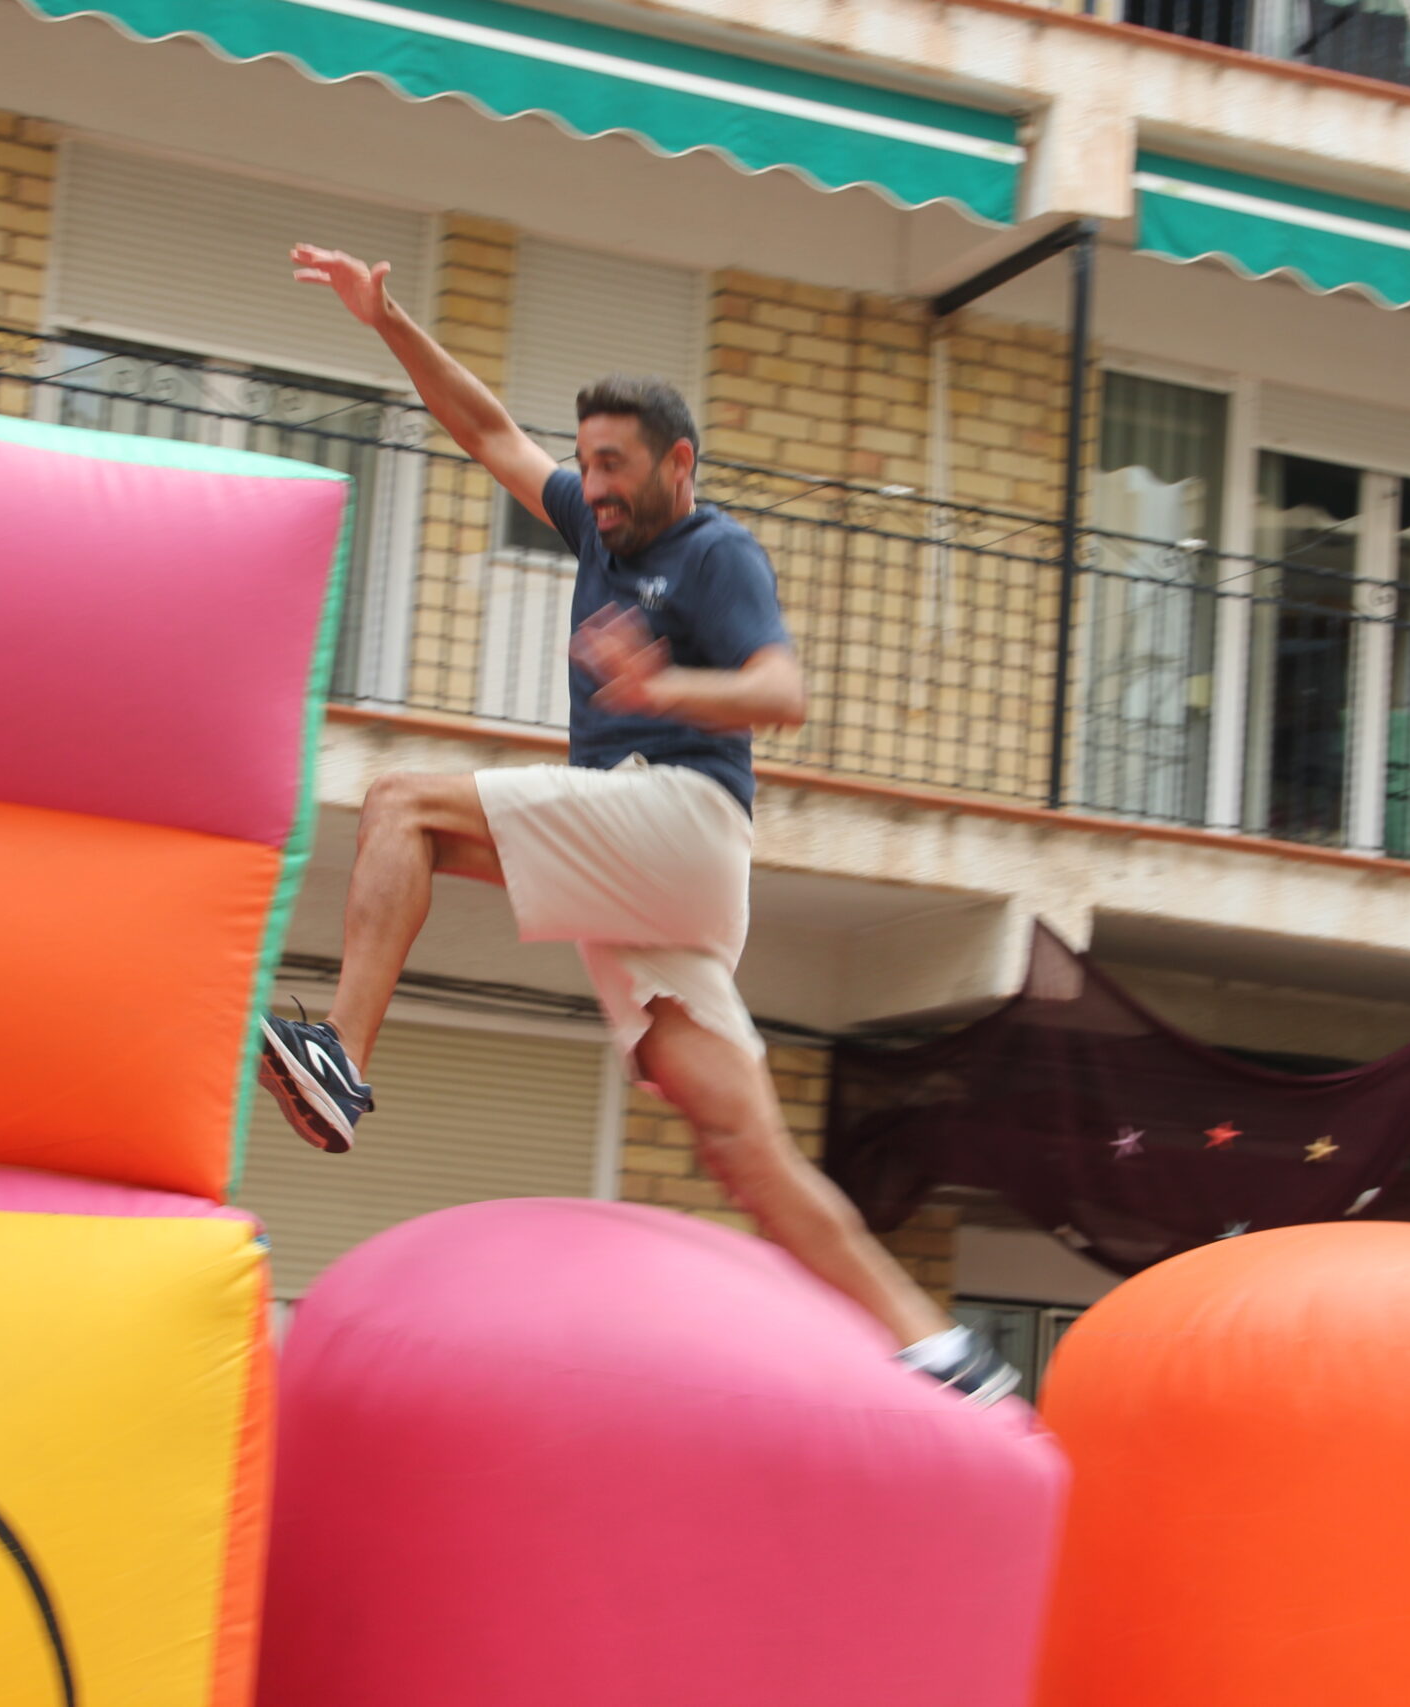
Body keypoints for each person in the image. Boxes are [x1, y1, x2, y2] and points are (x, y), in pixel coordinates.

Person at [262, 242, 1017, 1406]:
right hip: (650, 875)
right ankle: (938, 1348)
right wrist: (388, 322)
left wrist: (660, 688)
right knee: (741, 1148)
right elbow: (485, 434)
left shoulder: (714, 554)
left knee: (403, 800)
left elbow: (781, 695)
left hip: (679, 818)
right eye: (587, 468)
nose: (594, 488)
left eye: (615, 468)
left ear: (678, 462)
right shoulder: (595, 524)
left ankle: (342, 1066)